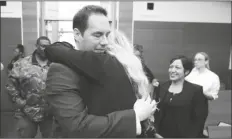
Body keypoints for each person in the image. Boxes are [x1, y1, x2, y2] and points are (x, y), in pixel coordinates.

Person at [44, 5, 156, 138]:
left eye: (107, 35)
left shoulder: (111, 62)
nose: (105, 42)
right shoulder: (61, 71)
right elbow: (76, 126)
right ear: (77, 34)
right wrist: (134, 116)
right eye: (97, 35)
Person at [5, 36, 53, 138]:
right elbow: (10, 85)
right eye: (43, 46)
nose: (46, 49)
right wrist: (19, 101)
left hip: (49, 113)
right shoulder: (22, 64)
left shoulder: (55, 65)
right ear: (36, 46)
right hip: (26, 112)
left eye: (48, 47)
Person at [154, 55, 208, 138]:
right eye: (171, 67)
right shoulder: (161, 87)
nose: (172, 70)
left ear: (186, 72)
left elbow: (199, 120)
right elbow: (156, 113)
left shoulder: (196, 90)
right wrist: (155, 132)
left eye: (177, 68)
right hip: (162, 135)